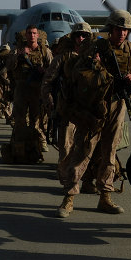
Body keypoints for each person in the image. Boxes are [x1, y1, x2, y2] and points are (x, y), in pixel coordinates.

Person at [57, 10, 131, 218]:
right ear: (111, 28)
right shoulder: (95, 46)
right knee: (83, 150)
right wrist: (94, 63)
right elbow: (76, 73)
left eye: (125, 30)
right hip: (94, 106)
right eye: (118, 29)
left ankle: (105, 196)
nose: (122, 33)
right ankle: (69, 197)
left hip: (118, 105)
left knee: (110, 152)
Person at [42, 22, 93, 182]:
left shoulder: (95, 57)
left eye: (85, 35)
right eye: (78, 35)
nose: (81, 38)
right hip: (67, 107)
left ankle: (85, 178)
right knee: (66, 145)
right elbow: (47, 82)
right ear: (73, 38)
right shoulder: (62, 58)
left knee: (88, 146)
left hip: (88, 109)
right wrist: (49, 101)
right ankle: (66, 179)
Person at [5, 25, 53, 148]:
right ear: (26, 35)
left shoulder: (44, 51)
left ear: (37, 35)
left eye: (34, 33)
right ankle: (19, 144)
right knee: (19, 118)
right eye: (29, 33)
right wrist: (19, 56)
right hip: (21, 88)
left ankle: (37, 143)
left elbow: (53, 69)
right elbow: (9, 66)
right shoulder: (17, 50)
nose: (32, 35)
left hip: (37, 89)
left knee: (36, 119)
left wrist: (44, 71)